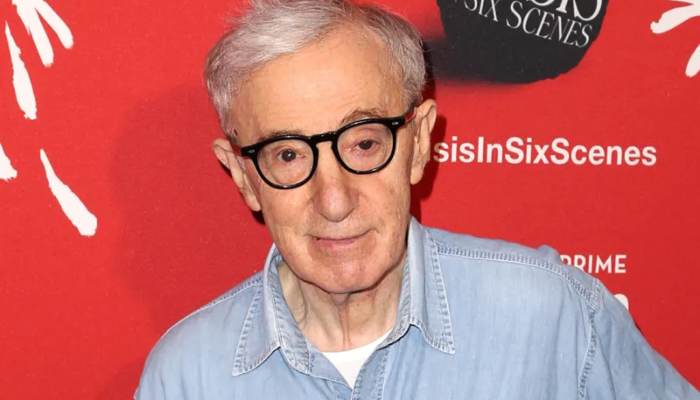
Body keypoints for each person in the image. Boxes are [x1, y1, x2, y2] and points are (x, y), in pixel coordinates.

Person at [134, 0, 699, 398]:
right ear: (242, 176)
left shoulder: (554, 316)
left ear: (420, 143)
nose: (334, 200)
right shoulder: (186, 377)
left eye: (364, 143)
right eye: (287, 155)